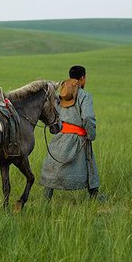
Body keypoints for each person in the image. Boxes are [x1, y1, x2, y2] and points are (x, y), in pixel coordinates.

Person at [40, 65, 100, 200]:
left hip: (60, 135)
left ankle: (47, 197)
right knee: (89, 162)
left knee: (54, 164)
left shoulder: (61, 93)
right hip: (78, 137)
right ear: (82, 78)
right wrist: (91, 134)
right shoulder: (84, 95)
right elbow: (88, 117)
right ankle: (94, 196)